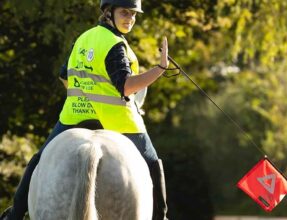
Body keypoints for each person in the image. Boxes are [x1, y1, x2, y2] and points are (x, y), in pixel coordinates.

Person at [0, 0, 169, 219]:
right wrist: (160, 68)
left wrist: (86, 93)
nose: (130, 19)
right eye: (125, 13)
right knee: (152, 161)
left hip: (74, 116)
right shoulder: (115, 44)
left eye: (134, 15)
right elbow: (127, 85)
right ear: (109, 13)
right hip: (116, 120)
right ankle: (161, 216)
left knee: (39, 159)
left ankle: (15, 213)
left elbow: (64, 76)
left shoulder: (83, 38)